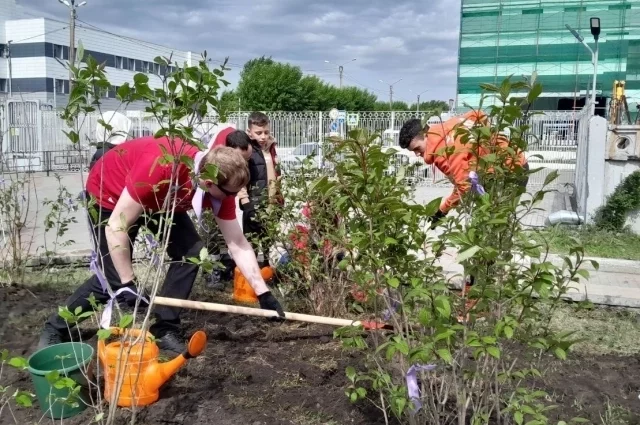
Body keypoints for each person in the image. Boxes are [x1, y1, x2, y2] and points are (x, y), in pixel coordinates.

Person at [38, 126, 285, 353]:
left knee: (191, 254)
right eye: (229, 193)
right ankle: (56, 327)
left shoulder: (220, 184)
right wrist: (127, 282)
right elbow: (116, 226)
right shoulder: (162, 167)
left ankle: (164, 327)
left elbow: (237, 244)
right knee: (110, 276)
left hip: (162, 199)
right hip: (110, 193)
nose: (231, 199)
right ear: (208, 182)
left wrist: (263, 293)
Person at [399, 111, 529, 312]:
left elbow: (463, 188)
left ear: (424, 135)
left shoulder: (446, 151)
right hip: (499, 173)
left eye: (416, 148)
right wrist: (488, 138)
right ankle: (482, 287)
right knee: (483, 232)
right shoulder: (447, 126)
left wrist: (440, 212)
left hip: (510, 173)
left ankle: (483, 294)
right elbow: (478, 113)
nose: (416, 154)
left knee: (487, 234)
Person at [202, 129, 253, 290]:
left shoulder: (243, 145)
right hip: (212, 196)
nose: (244, 164)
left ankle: (225, 267)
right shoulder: (215, 161)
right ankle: (211, 272)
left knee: (228, 236)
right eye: (241, 160)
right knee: (211, 234)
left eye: (247, 160)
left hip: (225, 194)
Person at [239, 112, 283, 267]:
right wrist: (246, 202)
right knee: (251, 243)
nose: (263, 137)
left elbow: (275, 176)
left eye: (266, 132)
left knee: (267, 241)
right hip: (254, 204)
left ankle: (265, 270)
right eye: (258, 133)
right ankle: (250, 275)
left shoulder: (271, 149)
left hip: (272, 204)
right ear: (249, 132)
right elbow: (241, 179)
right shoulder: (248, 152)